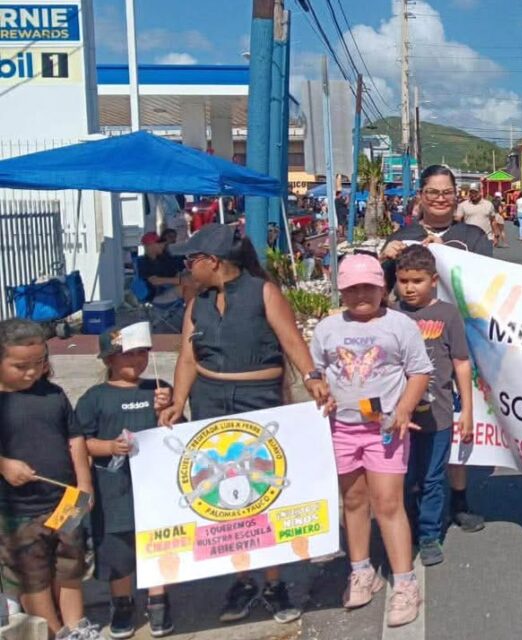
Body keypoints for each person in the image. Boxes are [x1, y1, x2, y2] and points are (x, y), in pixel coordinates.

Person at [158, 223, 331, 625]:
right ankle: (241, 577)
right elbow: (187, 357)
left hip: (259, 402)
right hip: (210, 399)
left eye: (191, 260)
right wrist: (179, 401)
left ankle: (273, 581)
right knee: (221, 494)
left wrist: (312, 378)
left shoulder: (262, 292)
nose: (186, 268)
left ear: (212, 261)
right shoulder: (196, 303)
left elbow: (291, 341)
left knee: (262, 491)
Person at [311, 254, 430, 628]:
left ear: (383, 287)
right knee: (353, 500)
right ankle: (361, 570)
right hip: (342, 428)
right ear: (342, 291)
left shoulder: (400, 325)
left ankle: (405, 582)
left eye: (368, 287)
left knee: (388, 502)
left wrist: (405, 409)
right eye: (352, 288)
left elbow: (419, 372)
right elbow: (315, 372)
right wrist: (317, 388)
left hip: (385, 429)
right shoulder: (327, 329)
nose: (361, 295)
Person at [380, 166, 489, 532]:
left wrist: (450, 257)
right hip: (408, 349)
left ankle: (458, 498)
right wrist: (384, 255)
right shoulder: (404, 235)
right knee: (411, 422)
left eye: (447, 192)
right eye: (432, 192)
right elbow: (382, 292)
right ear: (420, 196)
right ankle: (412, 499)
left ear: (457, 195)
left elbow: (488, 283)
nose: (440, 198)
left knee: (454, 421)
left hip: (458, 341)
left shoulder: (471, 236)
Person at [0, 318, 100, 639]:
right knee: (33, 575)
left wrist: (84, 483)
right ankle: (55, 632)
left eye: (39, 363)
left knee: (70, 565)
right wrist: (4, 464)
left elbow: (75, 439)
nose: (31, 372)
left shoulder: (53, 394)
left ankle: (77, 625)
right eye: (20, 366)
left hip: (66, 500)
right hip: (19, 511)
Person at [78, 322, 176, 638]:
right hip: (113, 488)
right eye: (127, 355)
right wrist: (109, 447)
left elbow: (179, 434)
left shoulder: (157, 390)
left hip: (154, 487)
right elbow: (81, 442)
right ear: (108, 359)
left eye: (141, 353)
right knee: (116, 548)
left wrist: (168, 411)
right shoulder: (94, 398)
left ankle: (159, 600)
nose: (136, 361)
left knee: (158, 541)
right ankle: (122, 602)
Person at [392, 245, 474, 567]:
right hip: (397, 417)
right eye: (403, 280)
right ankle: (405, 529)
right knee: (404, 478)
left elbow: (462, 363)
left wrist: (466, 410)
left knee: (432, 478)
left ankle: (428, 535)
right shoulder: (392, 314)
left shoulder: (447, 315)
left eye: (417, 280)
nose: (410, 288)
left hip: (438, 415)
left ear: (434, 280)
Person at [137, 232, 184, 304]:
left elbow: (176, 271)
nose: (163, 245)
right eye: (159, 243)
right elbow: (155, 281)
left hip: (171, 288)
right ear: (150, 245)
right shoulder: (143, 262)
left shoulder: (164, 258)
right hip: (157, 295)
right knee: (186, 288)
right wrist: (180, 280)